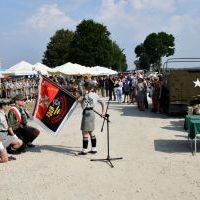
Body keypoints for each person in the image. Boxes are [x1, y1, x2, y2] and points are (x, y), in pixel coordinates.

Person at [78, 80, 105, 155]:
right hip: (92, 113)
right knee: (91, 131)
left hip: (86, 113)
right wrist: (103, 112)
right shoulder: (95, 95)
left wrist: (81, 100)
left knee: (85, 132)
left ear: (86, 87)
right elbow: (102, 102)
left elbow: (82, 105)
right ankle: (94, 149)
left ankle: (84, 150)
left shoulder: (84, 95)